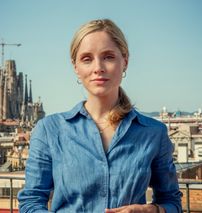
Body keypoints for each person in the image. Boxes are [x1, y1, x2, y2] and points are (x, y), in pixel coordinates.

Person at [18, 19, 182, 213]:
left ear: (125, 62)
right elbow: (31, 202)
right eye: (87, 59)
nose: (98, 68)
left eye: (108, 57)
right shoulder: (49, 130)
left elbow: (172, 202)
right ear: (76, 67)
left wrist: (151, 211)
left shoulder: (154, 132)